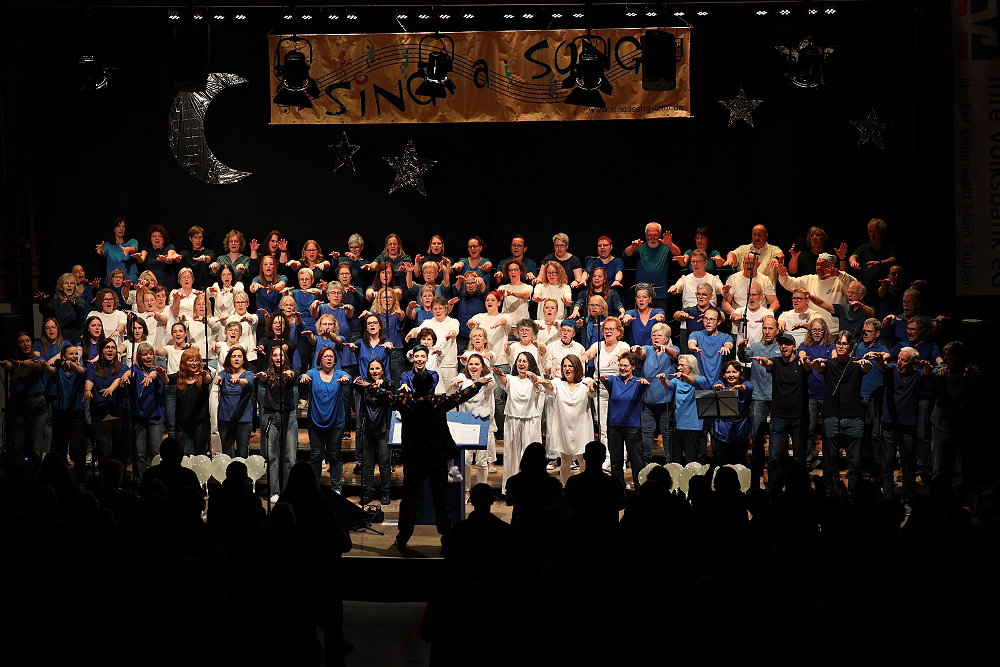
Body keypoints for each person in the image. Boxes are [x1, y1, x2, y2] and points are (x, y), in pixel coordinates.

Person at [371, 369, 489, 550]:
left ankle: (403, 537)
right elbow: (461, 395)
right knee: (440, 498)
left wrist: (369, 386)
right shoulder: (438, 401)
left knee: (409, 499)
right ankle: (447, 537)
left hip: (414, 458)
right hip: (436, 457)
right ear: (431, 386)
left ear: (414, 385)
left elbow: (384, 394)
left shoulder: (405, 400)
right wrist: (478, 383)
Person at [810, 331, 874, 495]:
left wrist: (866, 363)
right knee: (830, 462)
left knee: (855, 463)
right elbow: (819, 367)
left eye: (844, 343)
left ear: (851, 347)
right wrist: (816, 363)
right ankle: (830, 495)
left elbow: (868, 367)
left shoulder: (857, 363)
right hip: (832, 417)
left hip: (854, 418)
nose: (840, 346)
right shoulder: (829, 363)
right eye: (838, 343)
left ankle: (854, 496)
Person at [749, 332, 811, 479]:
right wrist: (763, 361)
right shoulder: (776, 362)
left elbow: (808, 367)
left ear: (794, 347)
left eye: (787, 344)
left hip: (799, 417)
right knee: (775, 456)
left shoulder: (801, 363)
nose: (783, 347)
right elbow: (768, 363)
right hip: (779, 416)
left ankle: (799, 487)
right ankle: (773, 488)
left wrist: (806, 361)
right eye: (781, 344)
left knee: (799, 457)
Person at [875, 346, 932, 503]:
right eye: (899, 358)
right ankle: (887, 496)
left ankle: (908, 498)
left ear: (913, 363)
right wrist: (880, 362)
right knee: (887, 463)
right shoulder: (893, 369)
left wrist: (927, 367)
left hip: (907, 426)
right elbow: (883, 367)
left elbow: (927, 373)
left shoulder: (917, 375)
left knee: (908, 465)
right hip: (889, 424)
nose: (899, 362)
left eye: (904, 360)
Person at [536, 354, 595, 485]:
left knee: (583, 461)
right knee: (565, 462)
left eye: (570, 366)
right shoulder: (558, 383)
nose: (567, 369)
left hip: (582, 429)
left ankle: (585, 489)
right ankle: (566, 489)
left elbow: (593, 389)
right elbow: (550, 386)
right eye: (565, 366)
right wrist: (544, 382)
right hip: (564, 429)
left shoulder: (585, 382)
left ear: (577, 367)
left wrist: (592, 386)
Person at [493, 352, 546, 494]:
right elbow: (504, 381)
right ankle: (512, 489)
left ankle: (532, 490)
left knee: (530, 455)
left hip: (530, 421)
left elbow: (537, 383)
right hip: (513, 420)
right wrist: (500, 375)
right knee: (512, 455)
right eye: (519, 361)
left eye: (524, 361)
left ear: (530, 364)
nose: (521, 364)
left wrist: (532, 375)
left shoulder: (536, 379)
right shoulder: (511, 379)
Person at [300, 346, 352, 492]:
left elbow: (348, 377)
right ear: (320, 360)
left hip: (336, 422)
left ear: (335, 360)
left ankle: (336, 489)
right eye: (325, 356)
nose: (329, 359)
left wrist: (346, 379)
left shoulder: (339, 374)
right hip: (315, 421)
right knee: (316, 456)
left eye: (331, 356)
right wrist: (303, 376)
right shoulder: (313, 373)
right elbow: (304, 376)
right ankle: (315, 489)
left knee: (334, 456)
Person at [930, 341, 978, 494]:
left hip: (960, 424)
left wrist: (968, 377)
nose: (946, 360)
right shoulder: (941, 372)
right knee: (939, 466)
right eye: (945, 356)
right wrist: (939, 374)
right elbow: (933, 374)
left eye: (950, 357)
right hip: (941, 423)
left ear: (960, 358)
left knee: (960, 466)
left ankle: (958, 495)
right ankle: (938, 495)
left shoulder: (969, 373)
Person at [598, 351, 650, 488]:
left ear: (633, 366)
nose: (622, 368)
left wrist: (645, 383)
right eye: (620, 365)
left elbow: (646, 385)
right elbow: (602, 379)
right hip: (614, 427)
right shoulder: (613, 380)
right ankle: (618, 492)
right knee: (616, 462)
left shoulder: (638, 382)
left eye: (626, 366)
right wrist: (598, 379)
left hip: (633, 428)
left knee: (637, 461)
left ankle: (640, 492)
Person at [3, 332, 53, 470]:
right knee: (17, 446)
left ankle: (35, 477)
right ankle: (19, 477)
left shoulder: (37, 358)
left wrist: (24, 363)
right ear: (17, 345)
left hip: (36, 404)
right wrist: (7, 364)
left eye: (28, 341)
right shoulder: (13, 360)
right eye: (21, 342)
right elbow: (9, 366)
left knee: (35, 447)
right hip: (17, 404)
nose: (26, 344)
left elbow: (38, 366)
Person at [632, 322, 680, 465]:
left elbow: (674, 355)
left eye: (659, 335)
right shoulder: (648, 349)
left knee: (666, 433)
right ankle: (646, 462)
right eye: (653, 335)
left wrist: (665, 349)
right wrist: (637, 350)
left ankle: (669, 463)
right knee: (647, 432)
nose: (656, 338)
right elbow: (641, 354)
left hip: (666, 399)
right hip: (648, 399)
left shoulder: (672, 349)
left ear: (666, 338)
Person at [255, 346, 299, 503]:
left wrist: (290, 374)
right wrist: (263, 379)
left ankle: (288, 491)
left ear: (285, 357)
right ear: (271, 358)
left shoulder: (291, 371)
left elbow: (295, 373)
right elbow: (263, 378)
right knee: (272, 456)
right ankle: (274, 491)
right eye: (274, 355)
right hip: (271, 416)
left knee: (290, 457)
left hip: (288, 416)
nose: (278, 357)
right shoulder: (267, 373)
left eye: (281, 355)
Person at [581, 316, 630, 447]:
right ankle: (606, 455)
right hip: (601, 391)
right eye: (606, 329)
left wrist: (617, 356)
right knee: (603, 425)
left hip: (618, 391)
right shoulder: (598, 345)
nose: (608, 332)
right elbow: (590, 352)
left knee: (619, 424)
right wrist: (585, 355)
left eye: (611, 329)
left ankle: (622, 455)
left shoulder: (623, 345)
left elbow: (624, 352)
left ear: (618, 332)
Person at [450, 353, 497, 487]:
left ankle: (482, 489)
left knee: (481, 461)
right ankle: (466, 490)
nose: (473, 367)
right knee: (465, 460)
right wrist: (455, 381)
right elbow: (457, 379)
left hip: (483, 424)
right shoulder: (463, 378)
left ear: (482, 366)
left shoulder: (488, 378)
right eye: (471, 364)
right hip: (466, 425)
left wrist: (480, 381)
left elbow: (491, 383)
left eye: (477, 364)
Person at [743, 316, 780, 485]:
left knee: (776, 435)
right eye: (764, 328)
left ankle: (774, 470)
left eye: (770, 328)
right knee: (757, 434)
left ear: (777, 331)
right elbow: (744, 356)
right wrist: (740, 349)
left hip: (777, 397)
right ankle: (757, 470)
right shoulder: (756, 347)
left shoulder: (781, 347)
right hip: (758, 396)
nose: (767, 331)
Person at [776, 252, 854, 333]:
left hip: (836, 330)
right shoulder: (809, 279)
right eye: (817, 265)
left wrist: (840, 274)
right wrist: (783, 275)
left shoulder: (839, 280)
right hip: (814, 330)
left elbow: (855, 285)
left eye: (822, 265)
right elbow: (790, 284)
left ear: (831, 266)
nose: (819, 267)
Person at [353, 358, 394, 505]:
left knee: (384, 463)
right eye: (372, 369)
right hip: (368, 428)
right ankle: (368, 492)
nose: (375, 371)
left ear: (382, 370)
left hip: (383, 428)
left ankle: (385, 492)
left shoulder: (388, 383)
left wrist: (373, 385)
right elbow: (356, 385)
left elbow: (388, 393)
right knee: (367, 464)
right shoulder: (363, 385)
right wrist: (359, 382)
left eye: (377, 368)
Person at [83, 338, 130, 464]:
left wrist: (110, 389)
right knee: (104, 451)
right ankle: (105, 475)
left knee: (118, 449)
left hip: (116, 411)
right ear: (101, 350)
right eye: (107, 347)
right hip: (99, 412)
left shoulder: (122, 367)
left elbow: (119, 379)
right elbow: (89, 379)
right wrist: (88, 390)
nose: (110, 350)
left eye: (113, 348)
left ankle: (119, 475)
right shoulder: (93, 367)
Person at [657, 354, 711, 464]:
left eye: (682, 365)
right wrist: (663, 379)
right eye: (678, 365)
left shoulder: (701, 379)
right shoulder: (678, 381)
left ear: (691, 367)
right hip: (678, 426)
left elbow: (693, 382)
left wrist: (683, 376)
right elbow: (668, 385)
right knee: (676, 461)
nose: (679, 367)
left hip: (693, 427)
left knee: (691, 460)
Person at [798, 318, 834, 469]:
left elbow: (834, 360)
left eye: (820, 330)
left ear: (824, 331)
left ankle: (828, 462)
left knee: (828, 431)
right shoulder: (804, 346)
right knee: (809, 429)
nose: (817, 333)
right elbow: (801, 356)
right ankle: (805, 463)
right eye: (814, 330)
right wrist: (805, 360)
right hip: (811, 395)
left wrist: (823, 363)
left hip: (827, 394)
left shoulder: (831, 346)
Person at [166, 348, 213, 456]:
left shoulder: (203, 373)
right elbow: (167, 380)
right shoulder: (179, 376)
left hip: (201, 422)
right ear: (184, 362)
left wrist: (203, 375)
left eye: (196, 360)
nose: (194, 363)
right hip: (182, 423)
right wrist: (162, 373)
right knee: (184, 454)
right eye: (191, 360)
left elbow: (208, 379)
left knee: (200, 454)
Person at [625, 222, 680, 310]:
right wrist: (632, 247)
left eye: (655, 235)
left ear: (660, 235)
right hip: (642, 294)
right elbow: (626, 255)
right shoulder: (640, 247)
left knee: (661, 318)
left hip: (660, 294)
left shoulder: (665, 248)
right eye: (650, 235)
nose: (652, 238)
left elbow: (678, 254)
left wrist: (670, 244)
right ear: (646, 235)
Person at [130, 342, 165, 480]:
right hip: (139, 418)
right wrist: (124, 377)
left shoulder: (157, 369)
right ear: (139, 357)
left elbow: (155, 374)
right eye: (145, 354)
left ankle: (157, 481)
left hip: (155, 417)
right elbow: (128, 372)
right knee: (140, 453)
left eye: (150, 354)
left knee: (156, 452)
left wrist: (150, 377)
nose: (148, 357)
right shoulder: (135, 370)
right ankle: (141, 481)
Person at [51, 344, 87, 474]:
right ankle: (61, 477)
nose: (75, 356)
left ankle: (81, 479)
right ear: (64, 356)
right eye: (71, 354)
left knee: (78, 448)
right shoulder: (58, 369)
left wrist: (70, 363)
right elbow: (49, 369)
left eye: (76, 353)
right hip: (61, 413)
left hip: (77, 415)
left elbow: (80, 372)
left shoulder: (83, 369)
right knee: (60, 448)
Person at [710, 360, 754, 465]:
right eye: (728, 372)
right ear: (723, 375)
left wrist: (742, 388)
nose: (731, 375)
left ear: (740, 373)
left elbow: (749, 387)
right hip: (723, 430)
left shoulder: (745, 385)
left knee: (739, 463)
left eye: (734, 372)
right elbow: (715, 385)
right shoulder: (721, 385)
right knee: (722, 462)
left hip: (741, 430)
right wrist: (716, 388)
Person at [214, 345, 255, 458]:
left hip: (243, 420)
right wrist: (218, 378)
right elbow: (219, 376)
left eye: (239, 356)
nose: (236, 359)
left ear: (243, 360)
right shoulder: (224, 374)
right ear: (229, 359)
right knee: (227, 454)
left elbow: (247, 382)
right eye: (234, 356)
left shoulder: (249, 374)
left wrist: (238, 380)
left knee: (242, 453)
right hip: (225, 420)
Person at [849, 217, 898, 301]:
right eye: (870, 231)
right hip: (866, 294)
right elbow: (853, 257)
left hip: (884, 294)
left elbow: (893, 259)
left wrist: (880, 263)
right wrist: (853, 262)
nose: (872, 234)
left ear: (883, 231)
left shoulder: (889, 247)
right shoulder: (864, 247)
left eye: (875, 231)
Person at [722, 251, 779, 320]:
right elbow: (725, 303)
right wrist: (735, 314)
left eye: (752, 263)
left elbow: (774, 303)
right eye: (747, 263)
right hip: (739, 318)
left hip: (760, 319)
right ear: (743, 263)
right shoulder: (733, 279)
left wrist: (767, 315)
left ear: (758, 264)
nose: (749, 266)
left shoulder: (765, 280)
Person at [810, 280, 875, 338]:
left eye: (853, 293)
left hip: (859, 344)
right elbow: (822, 303)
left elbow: (871, 313)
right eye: (848, 292)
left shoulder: (866, 309)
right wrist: (810, 296)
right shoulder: (843, 308)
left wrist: (861, 306)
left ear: (861, 296)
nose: (849, 295)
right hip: (842, 343)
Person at [688, 307, 733, 385]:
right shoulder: (696, 334)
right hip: (700, 383)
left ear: (718, 322)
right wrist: (693, 347)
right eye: (706, 319)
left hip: (719, 383)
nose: (708, 322)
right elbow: (691, 343)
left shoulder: (725, 337)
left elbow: (729, 344)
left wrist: (726, 347)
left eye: (712, 319)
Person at [39, 273, 87, 345]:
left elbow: (81, 312)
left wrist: (73, 303)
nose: (69, 285)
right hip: (60, 340)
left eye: (72, 283)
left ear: (74, 287)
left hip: (76, 339)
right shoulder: (54, 302)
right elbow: (43, 311)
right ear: (61, 287)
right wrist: (43, 301)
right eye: (66, 283)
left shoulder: (79, 300)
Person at [95, 215, 139, 282]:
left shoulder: (131, 242)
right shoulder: (108, 245)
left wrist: (128, 249)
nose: (121, 228)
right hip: (113, 283)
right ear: (113, 228)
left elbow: (134, 248)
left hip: (130, 282)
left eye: (123, 226)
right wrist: (101, 251)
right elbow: (102, 253)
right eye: (118, 226)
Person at [136, 224, 180, 290]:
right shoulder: (146, 248)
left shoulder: (169, 247)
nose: (157, 238)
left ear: (164, 238)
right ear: (150, 238)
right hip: (151, 286)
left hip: (167, 285)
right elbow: (141, 259)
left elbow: (169, 259)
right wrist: (138, 257)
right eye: (154, 236)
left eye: (160, 236)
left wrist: (165, 259)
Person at [622, 284, 666, 348]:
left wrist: (660, 317)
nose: (641, 300)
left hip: (652, 351)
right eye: (638, 297)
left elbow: (661, 315)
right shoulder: (632, 313)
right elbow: (627, 316)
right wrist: (627, 318)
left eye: (644, 297)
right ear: (636, 299)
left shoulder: (656, 311)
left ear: (650, 299)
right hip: (635, 351)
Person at [178, 225, 216, 290]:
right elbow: (178, 258)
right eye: (195, 237)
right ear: (190, 239)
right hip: (188, 289)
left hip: (204, 289)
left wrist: (205, 258)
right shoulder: (185, 253)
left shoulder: (209, 252)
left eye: (200, 237)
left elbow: (208, 258)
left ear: (202, 238)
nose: (198, 240)